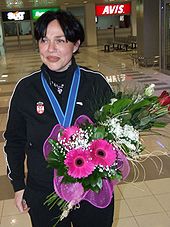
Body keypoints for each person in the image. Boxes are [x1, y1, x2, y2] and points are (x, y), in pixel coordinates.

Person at [4, 10, 114, 227]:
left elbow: (114, 139)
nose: (50, 48)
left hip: (91, 191)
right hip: (44, 193)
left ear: (76, 45)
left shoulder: (95, 84)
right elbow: (14, 142)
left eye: (60, 40)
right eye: (44, 40)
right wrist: (18, 185)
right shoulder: (26, 89)